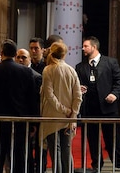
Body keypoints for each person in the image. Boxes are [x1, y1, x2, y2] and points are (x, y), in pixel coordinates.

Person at [0, 39, 40, 173]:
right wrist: (34, 121)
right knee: (18, 158)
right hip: (19, 122)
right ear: (14, 54)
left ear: (2, 53)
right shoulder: (26, 72)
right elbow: (31, 99)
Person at [75, 36, 120, 171]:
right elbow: (76, 84)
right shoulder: (80, 67)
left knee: (112, 138)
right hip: (90, 108)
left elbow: (119, 81)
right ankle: (96, 164)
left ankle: (119, 162)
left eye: (86, 46)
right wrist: (80, 89)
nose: (83, 48)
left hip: (108, 107)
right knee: (93, 139)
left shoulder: (111, 62)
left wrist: (114, 94)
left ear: (94, 47)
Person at [40, 41, 83, 173]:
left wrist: (64, 110)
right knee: (66, 149)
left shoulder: (48, 70)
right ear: (64, 54)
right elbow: (78, 96)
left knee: (55, 151)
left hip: (52, 115)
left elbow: (49, 95)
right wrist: (73, 114)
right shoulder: (71, 70)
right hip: (68, 119)